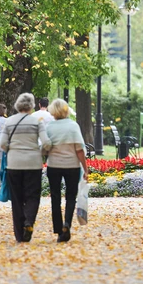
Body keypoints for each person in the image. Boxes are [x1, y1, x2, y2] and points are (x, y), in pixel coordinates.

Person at [0, 92, 49, 243]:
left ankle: (20, 235)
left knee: (17, 199)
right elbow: (46, 142)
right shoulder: (36, 121)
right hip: (33, 164)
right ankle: (29, 222)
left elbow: (2, 144)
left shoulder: (9, 122)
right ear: (32, 105)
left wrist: (12, 150)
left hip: (14, 164)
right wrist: (39, 152)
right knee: (33, 196)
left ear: (17, 105)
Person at [42, 99, 89, 243]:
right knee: (70, 197)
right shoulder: (73, 126)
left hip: (54, 166)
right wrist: (85, 169)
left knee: (55, 198)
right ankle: (67, 224)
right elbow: (79, 150)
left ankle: (58, 228)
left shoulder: (49, 127)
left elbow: (45, 147)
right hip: (72, 166)